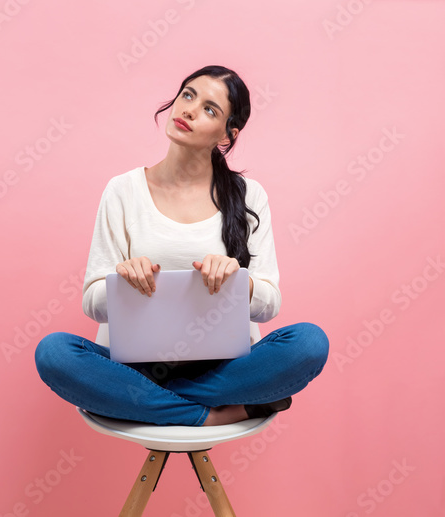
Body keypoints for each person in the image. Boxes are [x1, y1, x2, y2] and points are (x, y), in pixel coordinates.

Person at [34, 65, 329, 426]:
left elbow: (269, 303)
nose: (188, 109)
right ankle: (210, 416)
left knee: (310, 342)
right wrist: (121, 280)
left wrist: (241, 280)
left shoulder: (249, 196)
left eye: (210, 109)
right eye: (187, 95)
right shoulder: (123, 190)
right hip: (139, 369)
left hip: (222, 367)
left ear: (228, 134)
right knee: (53, 353)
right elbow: (92, 303)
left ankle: (141, 403)